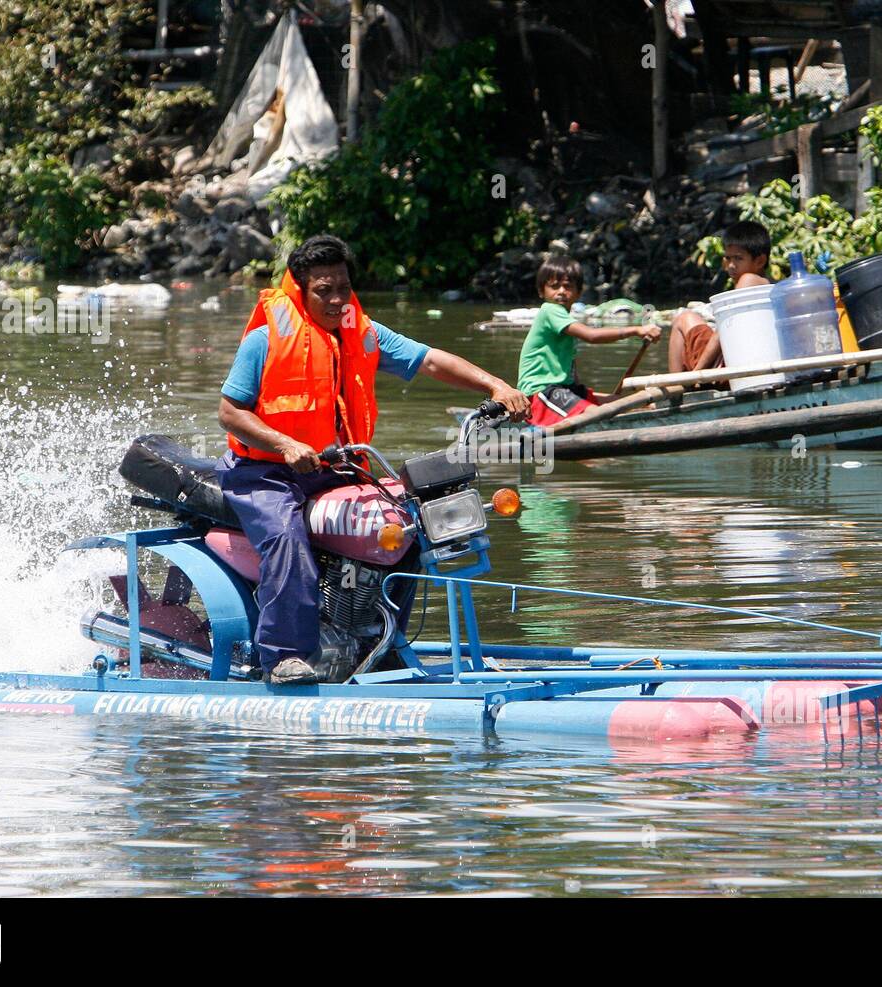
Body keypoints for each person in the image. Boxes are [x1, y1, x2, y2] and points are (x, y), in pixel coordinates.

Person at [217, 235, 529, 685]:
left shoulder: (361, 332)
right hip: (265, 474)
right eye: (324, 290)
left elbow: (430, 361)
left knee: (409, 524)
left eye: (344, 286)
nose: (337, 298)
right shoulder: (265, 341)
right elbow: (230, 411)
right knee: (287, 538)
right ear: (300, 291)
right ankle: (284, 656)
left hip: (333, 470)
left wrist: (495, 386)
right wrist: (284, 444)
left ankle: (380, 643)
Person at [517, 255, 661, 427]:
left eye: (568, 286)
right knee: (598, 414)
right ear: (542, 291)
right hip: (540, 393)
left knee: (616, 401)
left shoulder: (565, 323)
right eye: (554, 286)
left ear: (578, 293)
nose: (561, 291)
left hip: (564, 389)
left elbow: (572, 375)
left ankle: (647, 412)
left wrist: (609, 400)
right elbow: (591, 336)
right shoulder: (550, 310)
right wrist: (636, 330)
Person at [667, 220, 772, 374]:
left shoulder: (748, 279)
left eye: (738, 258)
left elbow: (723, 330)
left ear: (760, 261)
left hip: (732, 366)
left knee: (683, 318)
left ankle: (675, 385)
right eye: (728, 258)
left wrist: (698, 373)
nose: (730, 265)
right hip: (741, 360)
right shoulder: (768, 284)